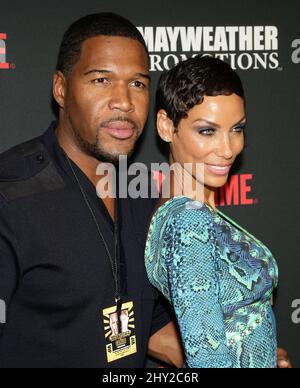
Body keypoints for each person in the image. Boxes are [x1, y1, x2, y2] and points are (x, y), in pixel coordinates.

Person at [0, 12, 291, 369]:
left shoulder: (140, 195)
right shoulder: (11, 196)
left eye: (137, 84)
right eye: (102, 80)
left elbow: (145, 326)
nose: (123, 101)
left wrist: (241, 358)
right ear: (61, 88)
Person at [145, 56, 280, 368]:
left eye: (237, 129)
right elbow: (207, 356)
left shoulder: (190, 211)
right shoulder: (189, 221)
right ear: (167, 126)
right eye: (207, 131)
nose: (228, 148)